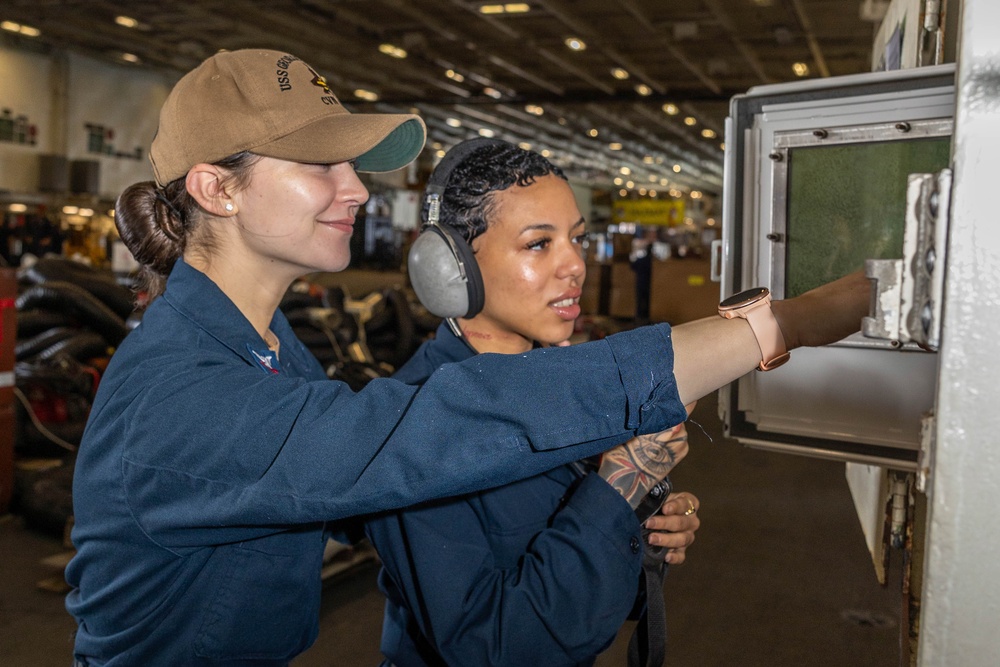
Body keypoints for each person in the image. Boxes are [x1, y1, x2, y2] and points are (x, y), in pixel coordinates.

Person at [63, 48, 870, 666]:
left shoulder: (266, 353)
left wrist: (608, 509)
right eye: (320, 164)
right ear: (217, 189)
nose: (358, 189)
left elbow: (391, 478)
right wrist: (769, 327)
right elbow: (424, 434)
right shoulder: (181, 393)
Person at [365, 139, 701, 667]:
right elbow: (494, 643)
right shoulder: (412, 423)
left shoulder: (564, 385)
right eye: (539, 244)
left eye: (577, 240)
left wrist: (639, 537)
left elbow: (568, 576)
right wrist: (615, 492)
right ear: (450, 267)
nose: (576, 266)